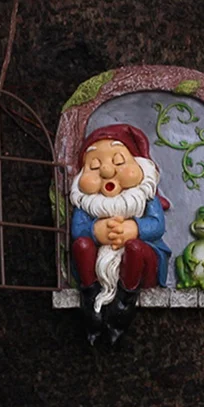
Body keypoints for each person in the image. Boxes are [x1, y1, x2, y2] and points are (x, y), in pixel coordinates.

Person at [70, 124, 170, 344]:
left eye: (118, 161)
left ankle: (125, 301)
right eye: (94, 166)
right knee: (82, 246)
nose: (107, 171)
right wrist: (96, 231)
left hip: (140, 264)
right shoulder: (87, 203)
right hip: (97, 265)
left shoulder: (144, 196)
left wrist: (134, 228)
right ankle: (90, 297)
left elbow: (157, 225)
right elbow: (77, 229)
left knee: (135, 248)